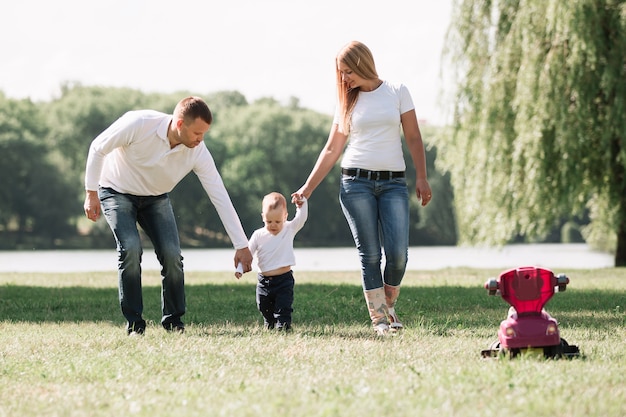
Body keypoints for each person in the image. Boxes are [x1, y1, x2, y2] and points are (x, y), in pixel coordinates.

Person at [292, 41, 432, 336]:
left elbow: (414, 138)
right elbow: (332, 149)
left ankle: (388, 304)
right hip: (355, 183)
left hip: (393, 183)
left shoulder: (397, 91)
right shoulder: (347, 101)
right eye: (341, 74)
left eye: (348, 72)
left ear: (362, 64)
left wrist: (422, 177)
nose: (344, 79)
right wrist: (307, 188)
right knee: (369, 255)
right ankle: (380, 320)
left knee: (398, 255)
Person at [83, 96, 253, 335]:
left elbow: (219, 194)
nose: (200, 140)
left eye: (204, 134)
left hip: (155, 197)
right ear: (180, 124)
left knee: (172, 256)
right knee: (131, 248)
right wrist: (91, 193)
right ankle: (134, 324)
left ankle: (173, 322)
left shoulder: (197, 151)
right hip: (116, 191)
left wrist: (241, 244)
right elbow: (98, 147)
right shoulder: (139, 123)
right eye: (197, 133)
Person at [236, 192, 308, 331]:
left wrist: (302, 203)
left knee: (283, 306)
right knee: (263, 306)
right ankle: (269, 323)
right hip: (264, 281)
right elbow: (247, 254)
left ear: (285, 216)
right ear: (263, 217)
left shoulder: (289, 229)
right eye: (269, 222)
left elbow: (301, 218)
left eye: (277, 221)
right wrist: (240, 268)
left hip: (284, 280)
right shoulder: (258, 235)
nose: (273, 225)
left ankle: (283, 326)